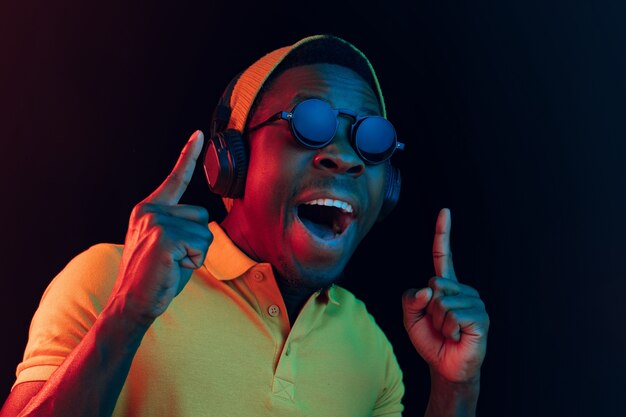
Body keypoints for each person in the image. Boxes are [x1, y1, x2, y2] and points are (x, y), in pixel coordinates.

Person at [0, 34, 489, 416]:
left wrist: (456, 388)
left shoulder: (371, 349)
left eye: (372, 139)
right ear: (230, 160)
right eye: (310, 122)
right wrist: (128, 313)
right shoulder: (107, 278)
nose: (344, 157)